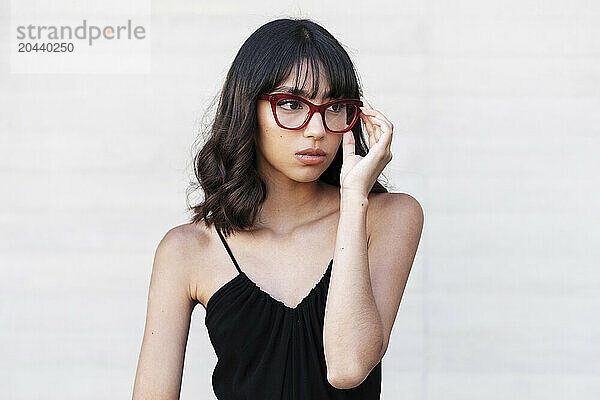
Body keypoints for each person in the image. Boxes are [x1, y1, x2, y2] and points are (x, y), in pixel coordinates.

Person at [132, 17, 423, 400]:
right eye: (290, 104)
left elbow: (348, 367)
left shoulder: (388, 217)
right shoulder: (188, 250)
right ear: (247, 108)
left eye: (334, 106)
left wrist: (354, 200)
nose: (317, 129)